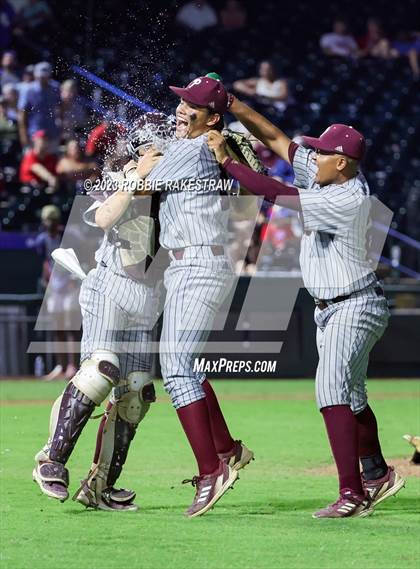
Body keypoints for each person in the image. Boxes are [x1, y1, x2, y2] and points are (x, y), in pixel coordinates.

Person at [207, 93, 405, 518]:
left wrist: (227, 160)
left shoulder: (346, 197)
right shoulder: (326, 175)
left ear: (343, 162)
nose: (312, 155)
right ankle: (376, 472)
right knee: (350, 396)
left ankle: (352, 495)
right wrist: (234, 105)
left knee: (329, 389)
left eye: (322, 152)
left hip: (353, 304)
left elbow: (275, 192)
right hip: (338, 304)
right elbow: (277, 139)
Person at [32, 114, 171, 511]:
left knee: (138, 395)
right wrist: (134, 178)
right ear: (143, 148)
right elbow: (106, 217)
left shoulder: (177, 181)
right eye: (159, 146)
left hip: (149, 295)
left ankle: (101, 486)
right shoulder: (117, 175)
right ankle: (51, 460)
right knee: (102, 369)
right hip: (111, 285)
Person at [145, 75, 255, 517]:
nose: (179, 109)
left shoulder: (195, 149)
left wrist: (142, 156)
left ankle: (212, 470)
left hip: (198, 264)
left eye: (190, 105)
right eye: (181, 102)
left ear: (212, 117)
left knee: (174, 370)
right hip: (191, 263)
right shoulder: (198, 144)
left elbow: (143, 181)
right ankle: (227, 449)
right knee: (184, 365)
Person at [28, 205, 79, 381]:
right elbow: (45, 262)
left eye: (51, 219)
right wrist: (47, 281)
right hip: (55, 286)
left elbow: (78, 257)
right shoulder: (42, 240)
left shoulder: (69, 236)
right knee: (57, 328)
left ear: (57, 221)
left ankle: (73, 366)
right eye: (46, 220)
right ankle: (61, 366)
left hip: (70, 284)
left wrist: (73, 280)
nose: (48, 223)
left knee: (71, 326)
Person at [17, 61, 60, 149]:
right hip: (33, 135)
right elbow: (22, 115)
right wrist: (23, 136)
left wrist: (61, 128)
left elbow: (61, 108)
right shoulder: (28, 90)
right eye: (40, 76)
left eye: (44, 76)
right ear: (35, 75)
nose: (42, 78)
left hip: (52, 133)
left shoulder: (55, 88)